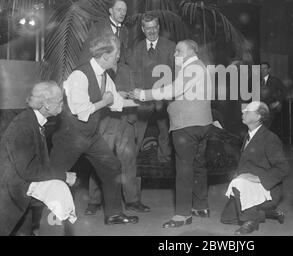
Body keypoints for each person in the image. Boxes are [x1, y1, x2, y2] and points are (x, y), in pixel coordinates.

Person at [50, 34, 140, 225]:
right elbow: (81, 111)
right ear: (106, 56)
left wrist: (147, 99)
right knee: (53, 174)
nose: (118, 57)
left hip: (90, 135)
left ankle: (114, 214)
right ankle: (43, 221)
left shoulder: (105, 76)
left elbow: (117, 102)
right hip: (71, 135)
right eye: (117, 54)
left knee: (112, 166)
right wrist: (104, 101)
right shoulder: (79, 75)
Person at [132, 39, 213, 228]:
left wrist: (144, 94)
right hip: (203, 124)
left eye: (178, 51)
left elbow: (174, 90)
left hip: (186, 126)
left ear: (190, 52)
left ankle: (182, 215)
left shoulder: (192, 68)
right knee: (198, 166)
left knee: (183, 170)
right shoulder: (200, 67)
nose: (175, 55)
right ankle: (201, 206)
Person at [0, 81, 76, 235]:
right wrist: (63, 176)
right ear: (47, 104)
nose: (63, 105)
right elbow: (28, 171)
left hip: (21, 180)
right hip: (11, 189)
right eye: (60, 101)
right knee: (59, 190)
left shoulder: (34, 120)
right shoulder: (23, 126)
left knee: (58, 189)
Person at [85, 63, 150, 215]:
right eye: (114, 52)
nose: (117, 55)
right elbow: (90, 98)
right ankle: (94, 201)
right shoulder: (96, 70)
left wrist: (133, 96)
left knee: (128, 162)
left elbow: (136, 93)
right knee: (99, 162)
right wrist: (115, 96)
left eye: (118, 51)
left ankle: (132, 201)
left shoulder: (127, 69)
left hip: (125, 120)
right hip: (104, 122)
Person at [221, 101, 289, 235]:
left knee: (239, 184)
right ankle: (268, 213)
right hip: (248, 187)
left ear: (258, 117)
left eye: (248, 110)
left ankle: (250, 222)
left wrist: (257, 178)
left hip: (266, 188)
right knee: (226, 218)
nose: (243, 112)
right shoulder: (248, 135)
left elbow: (283, 168)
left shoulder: (270, 138)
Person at [126, 13, 175, 163]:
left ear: (158, 27)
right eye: (148, 28)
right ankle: (130, 162)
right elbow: (133, 73)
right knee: (137, 131)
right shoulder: (137, 48)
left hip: (164, 99)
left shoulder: (170, 46)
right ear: (142, 29)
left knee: (165, 131)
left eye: (154, 27)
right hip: (143, 100)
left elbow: (175, 74)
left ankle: (164, 160)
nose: (152, 31)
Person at [78, 0, 129, 66]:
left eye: (124, 10)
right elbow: (87, 52)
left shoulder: (125, 31)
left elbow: (123, 56)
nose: (122, 13)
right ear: (111, 11)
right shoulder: (98, 27)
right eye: (119, 10)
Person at [260, 62, 287, 133]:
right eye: (261, 68)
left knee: (265, 128)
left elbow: (284, 91)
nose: (262, 70)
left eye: (264, 68)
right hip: (259, 109)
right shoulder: (256, 80)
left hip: (269, 108)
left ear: (269, 70)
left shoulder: (274, 80)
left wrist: (277, 102)